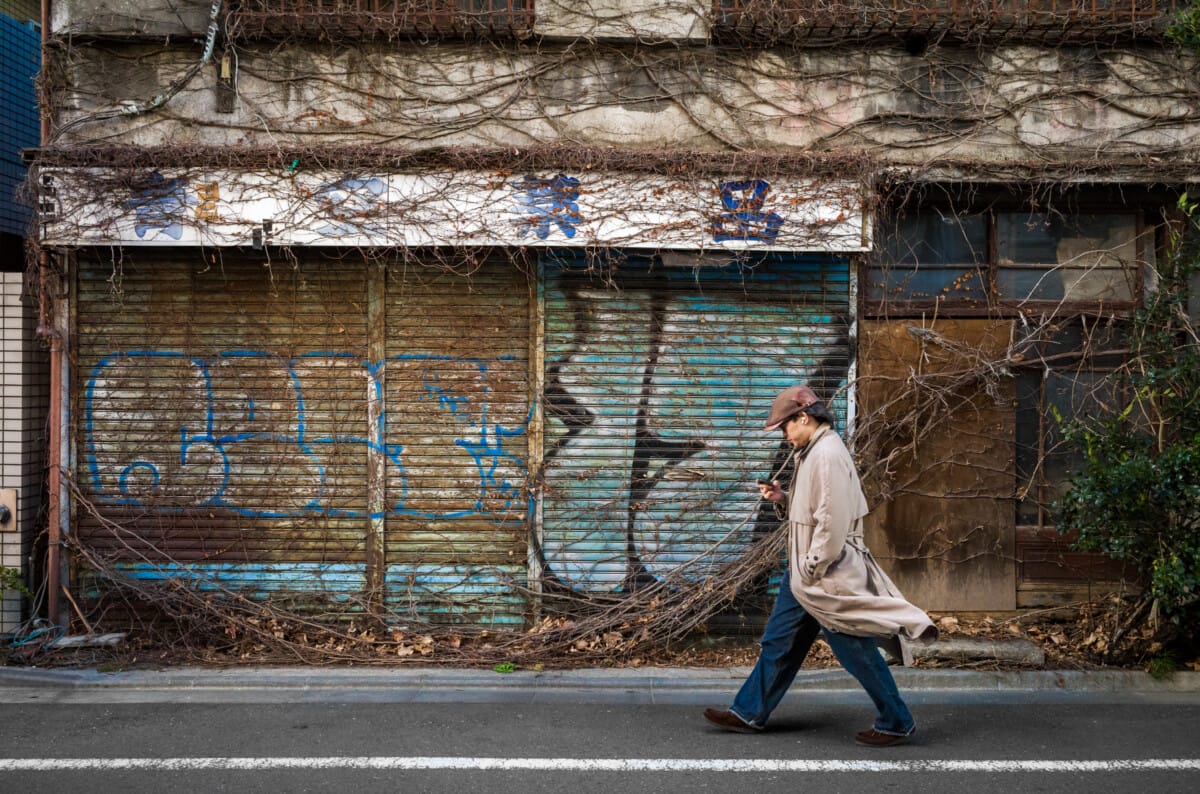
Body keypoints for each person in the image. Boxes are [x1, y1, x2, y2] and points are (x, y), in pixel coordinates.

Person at [703, 385, 938, 747]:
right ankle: (749, 711)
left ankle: (896, 720)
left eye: (784, 426)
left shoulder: (826, 453)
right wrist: (784, 499)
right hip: (804, 572)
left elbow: (831, 521)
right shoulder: (811, 451)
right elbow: (813, 508)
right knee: (780, 642)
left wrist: (811, 569)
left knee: (854, 651)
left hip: (826, 574)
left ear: (803, 417)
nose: (783, 434)